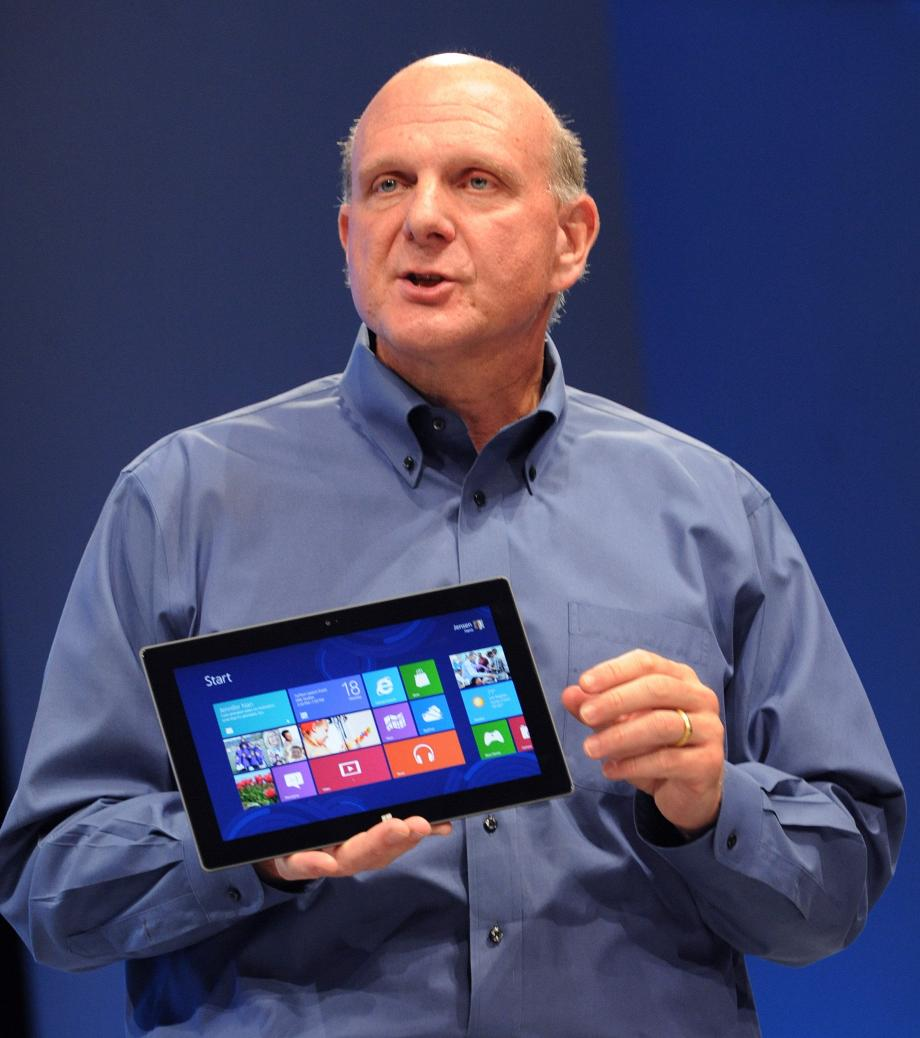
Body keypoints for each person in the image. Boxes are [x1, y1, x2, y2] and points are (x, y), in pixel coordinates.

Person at [0, 53, 904, 1037]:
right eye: (388, 184)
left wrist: (707, 803)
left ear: (571, 238)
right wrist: (253, 842)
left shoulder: (711, 509)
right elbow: (53, 885)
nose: (422, 218)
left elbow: (835, 888)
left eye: (475, 181)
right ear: (348, 235)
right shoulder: (183, 500)